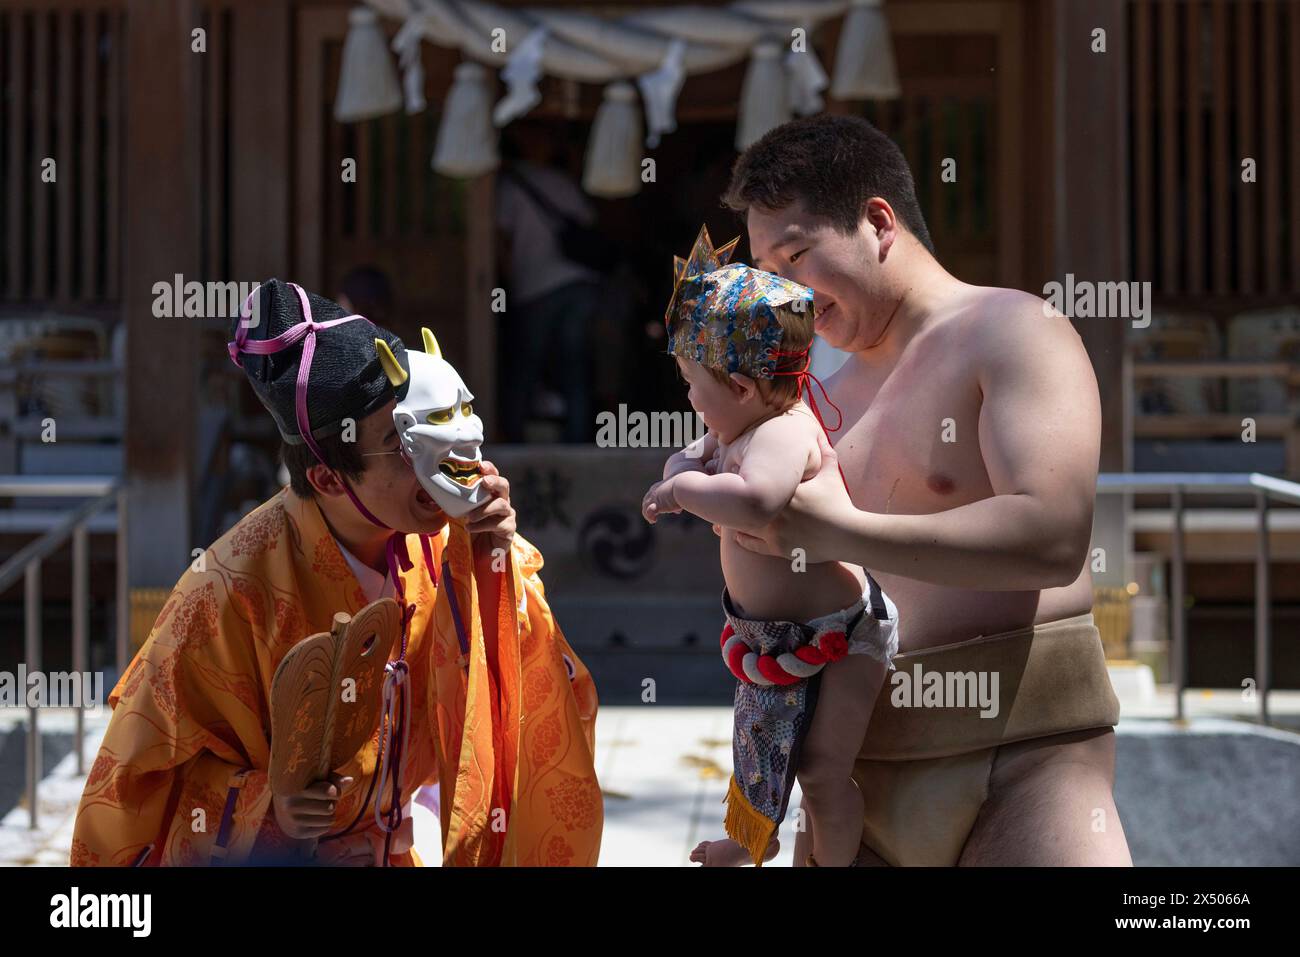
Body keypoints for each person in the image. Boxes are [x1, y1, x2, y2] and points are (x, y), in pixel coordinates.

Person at [71, 279, 602, 866]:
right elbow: (135, 783)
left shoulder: (450, 541)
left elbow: (547, 693)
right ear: (327, 479)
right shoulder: (225, 590)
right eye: (402, 447)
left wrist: (493, 567)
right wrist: (265, 801)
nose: (438, 466)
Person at [723, 115, 1130, 866]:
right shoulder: (808, 395)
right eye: (766, 270)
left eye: (797, 256)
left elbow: (1053, 536)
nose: (783, 293)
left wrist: (836, 531)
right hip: (856, 773)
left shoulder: (1012, 330)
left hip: (1026, 759)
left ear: (878, 221)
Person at [641, 228, 898, 867]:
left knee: (822, 769)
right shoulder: (735, 427)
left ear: (741, 387)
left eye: (692, 384)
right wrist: (679, 470)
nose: (690, 400)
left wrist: (683, 491)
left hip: (843, 634)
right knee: (758, 741)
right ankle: (749, 835)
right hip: (769, 634)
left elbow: (756, 500)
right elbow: (692, 459)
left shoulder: (783, 432)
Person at [495, 124, 603, 442]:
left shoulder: (506, 188)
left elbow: (501, 243)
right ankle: (578, 441)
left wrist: (508, 282)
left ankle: (513, 439)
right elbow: (590, 225)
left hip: (536, 286)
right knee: (575, 368)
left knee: (526, 367)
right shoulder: (561, 181)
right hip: (579, 283)